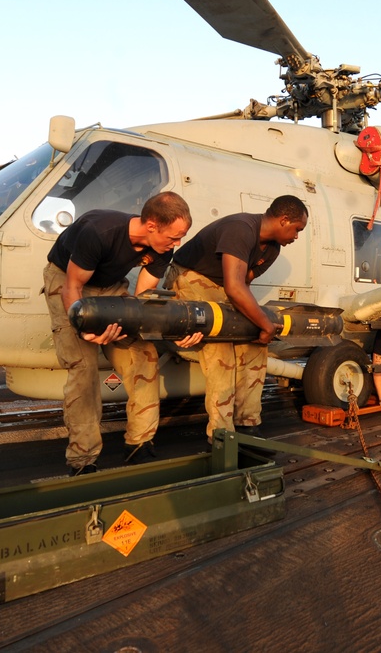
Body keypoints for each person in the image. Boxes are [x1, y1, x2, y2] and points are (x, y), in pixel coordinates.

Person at [43, 192, 200, 476]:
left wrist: (163, 331)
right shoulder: (100, 232)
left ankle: (140, 443)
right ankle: (83, 458)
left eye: (181, 237)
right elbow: (72, 288)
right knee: (83, 367)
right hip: (67, 282)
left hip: (111, 287)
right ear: (151, 225)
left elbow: (143, 300)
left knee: (143, 356)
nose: (177, 244)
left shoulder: (163, 248)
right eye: (174, 237)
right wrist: (86, 330)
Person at [165, 196, 309, 442]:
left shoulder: (272, 249)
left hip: (222, 288)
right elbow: (234, 288)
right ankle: (222, 436)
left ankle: (247, 425)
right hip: (190, 279)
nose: (296, 237)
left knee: (255, 346)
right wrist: (265, 323)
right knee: (221, 354)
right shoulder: (240, 229)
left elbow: (242, 285)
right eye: (297, 229)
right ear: (284, 220)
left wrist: (258, 329)